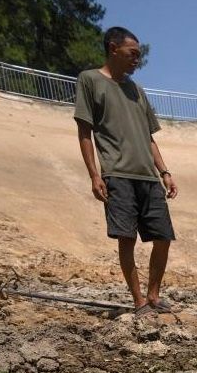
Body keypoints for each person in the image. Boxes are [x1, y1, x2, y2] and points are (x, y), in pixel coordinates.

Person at [74, 26, 180, 315]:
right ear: (113, 48)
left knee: (163, 237)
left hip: (148, 176)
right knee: (126, 238)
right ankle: (138, 301)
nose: (137, 60)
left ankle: (154, 295)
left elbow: (149, 137)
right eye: (132, 54)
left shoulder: (137, 90)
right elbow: (84, 130)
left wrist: (165, 172)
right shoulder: (90, 80)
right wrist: (94, 175)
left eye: (139, 55)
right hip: (117, 175)